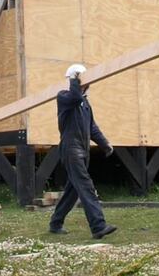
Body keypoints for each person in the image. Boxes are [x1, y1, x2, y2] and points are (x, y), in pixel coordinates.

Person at [48, 64, 118, 239]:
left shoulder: (85, 103)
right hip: (71, 150)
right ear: (74, 80)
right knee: (86, 186)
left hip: (82, 150)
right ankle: (98, 226)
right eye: (83, 82)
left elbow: (92, 127)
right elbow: (74, 96)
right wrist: (74, 79)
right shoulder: (64, 97)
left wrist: (105, 144)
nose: (87, 86)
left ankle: (55, 223)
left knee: (73, 191)